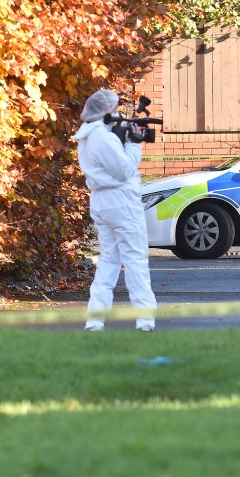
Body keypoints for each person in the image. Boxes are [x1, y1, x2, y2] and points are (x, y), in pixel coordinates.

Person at [73, 89, 157, 332]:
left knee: (109, 262)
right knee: (135, 260)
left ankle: (95, 321)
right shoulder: (102, 136)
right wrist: (133, 144)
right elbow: (123, 169)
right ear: (107, 111)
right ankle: (145, 321)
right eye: (115, 109)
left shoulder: (89, 135)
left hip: (102, 203)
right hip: (122, 203)